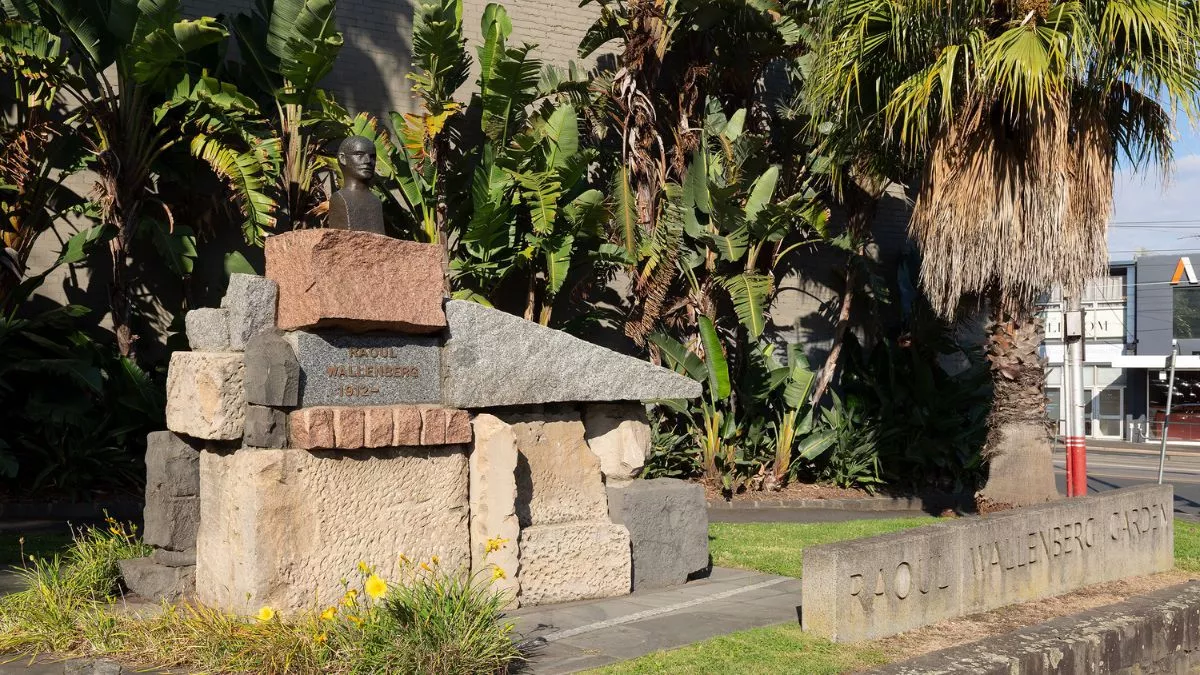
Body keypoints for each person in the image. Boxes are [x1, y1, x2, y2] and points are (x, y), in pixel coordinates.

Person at [327, 136, 386, 234]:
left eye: (372, 156)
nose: (368, 160)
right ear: (343, 158)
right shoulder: (340, 199)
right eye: (359, 154)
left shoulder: (376, 202)